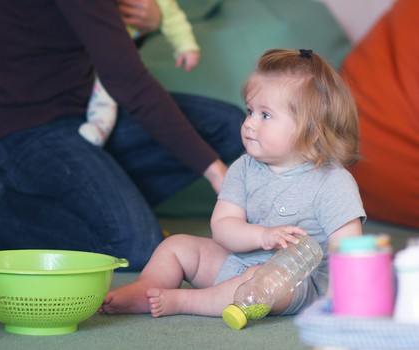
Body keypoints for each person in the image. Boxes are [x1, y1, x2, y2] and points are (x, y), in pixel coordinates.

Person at [0, 0, 244, 271]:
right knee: (136, 248)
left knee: (230, 127)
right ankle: (6, 220)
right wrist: (214, 171)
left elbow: (106, 48)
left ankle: (108, 203)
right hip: (25, 130)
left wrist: (150, 23)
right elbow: (128, 82)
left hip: (92, 112)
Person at [100, 48, 366, 317]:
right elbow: (223, 228)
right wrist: (261, 236)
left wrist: (335, 303)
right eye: (249, 111)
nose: (249, 123)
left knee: (255, 278)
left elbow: (349, 250)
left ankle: (187, 301)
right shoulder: (244, 168)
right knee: (176, 245)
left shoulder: (333, 182)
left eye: (265, 115)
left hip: (294, 286)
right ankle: (146, 289)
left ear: (311, 132)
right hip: (235, 261)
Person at [80, 0, 201, 146]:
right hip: (86, 47)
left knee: (107, 90)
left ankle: (100, 126)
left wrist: (187, 47)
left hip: (116, 53)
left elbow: (173, 17)